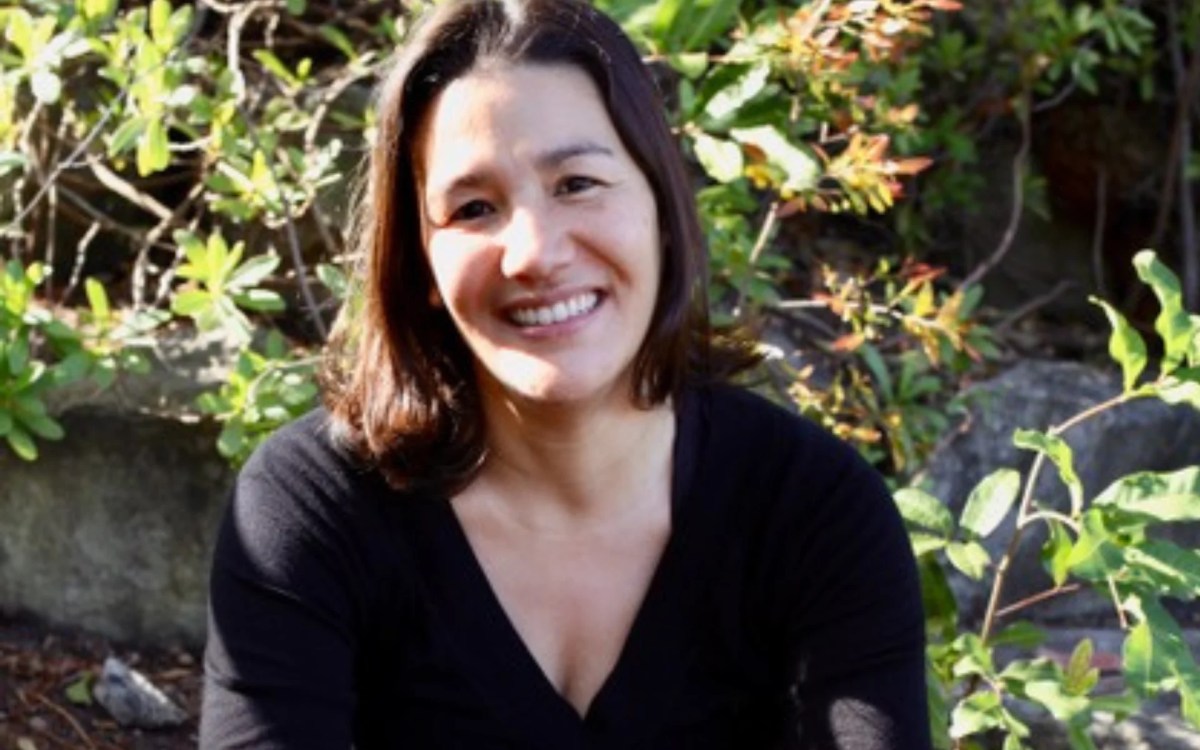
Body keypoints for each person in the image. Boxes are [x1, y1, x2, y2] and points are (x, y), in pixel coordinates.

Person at [199, 0, 930, 747]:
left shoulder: (814, 512)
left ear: (662, 209)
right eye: (474, 207)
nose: (534, 254)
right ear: (419, 258)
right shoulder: (314, 510)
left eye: (577, 183)